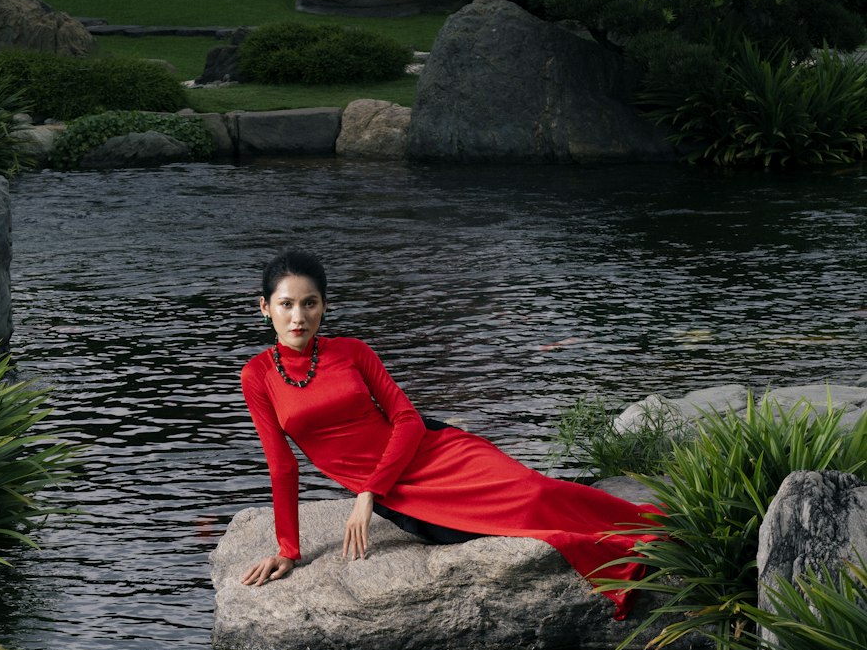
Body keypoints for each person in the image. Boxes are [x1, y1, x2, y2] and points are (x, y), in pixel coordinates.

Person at [239, 249, 662, 619]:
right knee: (525, 523)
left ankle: (654, 528)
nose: (299, 317)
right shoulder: (256, 375)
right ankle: (627, 551)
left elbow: (407, 419)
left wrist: (367, 492)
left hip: (428, 449)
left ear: (324, 306)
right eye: (287, 304)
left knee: (536, 490)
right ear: (265, 307)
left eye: (310, 303)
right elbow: (282, 466)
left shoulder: (353, 351)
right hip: (404, 494)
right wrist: (288, 550)